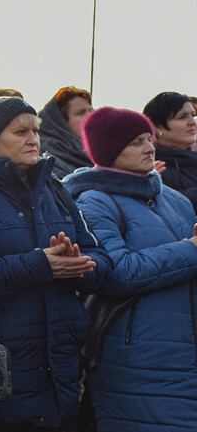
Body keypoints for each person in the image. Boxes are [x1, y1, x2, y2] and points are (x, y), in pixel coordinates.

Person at [0, 89, 112, 431]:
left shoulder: (55, 189)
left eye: (35, 130)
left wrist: (77, 263)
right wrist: (41, 265)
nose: (33, 139)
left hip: (58, 366)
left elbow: (101, 260)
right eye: (21, 132)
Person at [63, 107, 197, 432]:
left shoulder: (175, 200)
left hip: (186, 351)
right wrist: (190, 250)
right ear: (109, 150)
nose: (150, 147)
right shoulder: (94, 201)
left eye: (149, 139)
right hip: (138, 360)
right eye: (137, 142)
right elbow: (117, 272)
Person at [143, 91, 197, 212]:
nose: (192, 122)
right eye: (182, 117)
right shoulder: (149, 167)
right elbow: (168, 207)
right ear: (157, 126)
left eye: (193, 116)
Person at [39, 86, 94, 179]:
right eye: (81, 113)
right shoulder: (49, 165)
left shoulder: (103, 159)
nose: (90, 117)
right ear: (61, 122)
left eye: (91, 111)